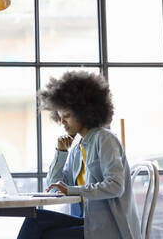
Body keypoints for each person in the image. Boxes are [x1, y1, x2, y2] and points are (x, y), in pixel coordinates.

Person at [17, 71, 141, 239]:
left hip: (110, 229)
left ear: (84, 111)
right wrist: (61, 153)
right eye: (60, 117)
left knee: (45, 235)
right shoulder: (78, 149)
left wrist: (71, 189)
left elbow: (115, 186)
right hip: (88, 223)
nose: (62, 122)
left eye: (67, 116)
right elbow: (55, 186)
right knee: (34, 220)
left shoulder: (105, 139)